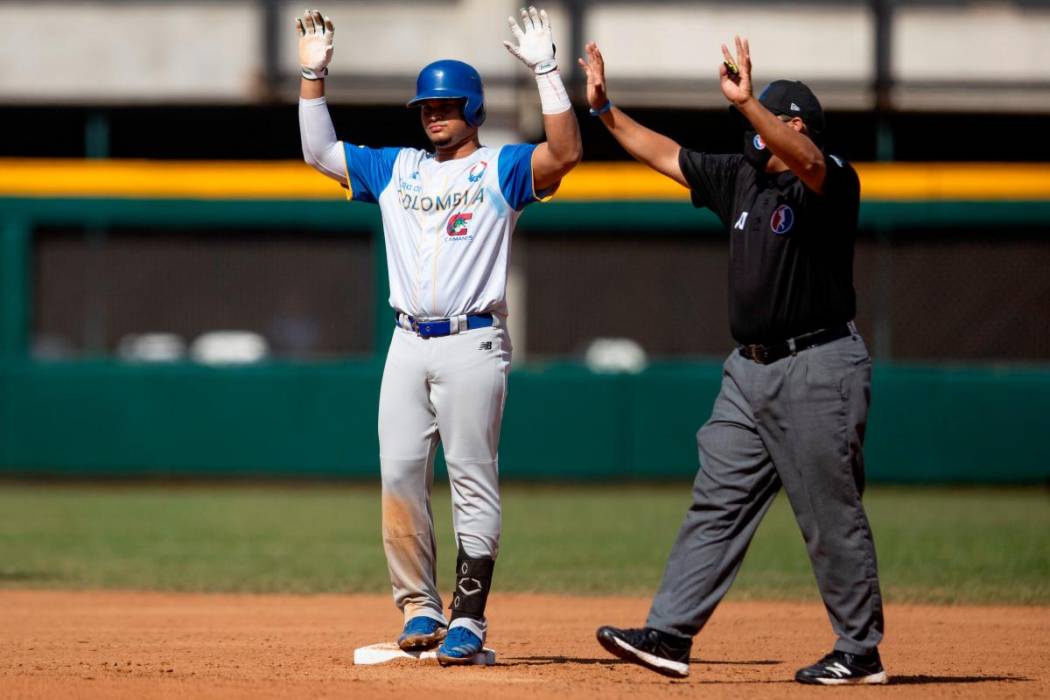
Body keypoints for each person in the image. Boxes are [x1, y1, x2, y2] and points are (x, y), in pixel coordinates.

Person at [581, 37, 887, 685]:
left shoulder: (829, 179)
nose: (782, 128)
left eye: (791, 120)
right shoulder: (740, 178)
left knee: (829, 513)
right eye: (775, 116)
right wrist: (605, 110)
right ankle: (669, 633)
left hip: (818, 363)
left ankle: (859, 651)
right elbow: (662, 152)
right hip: (748, 372)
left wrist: (751, 104)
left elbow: (805, 157)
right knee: (716, 501)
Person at [296, 7, 581, 664]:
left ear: (473, 107)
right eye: (425, 106)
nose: (433, 114)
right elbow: (318, 152)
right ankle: (419, 606)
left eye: (446, 104)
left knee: (472, 479)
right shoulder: (398, 169)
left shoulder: (502, 170)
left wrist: (546, 72)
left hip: (473, 341)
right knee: (398, 474)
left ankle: (469, 618)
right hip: (407, 341)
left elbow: (565, 153)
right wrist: (313, 76)